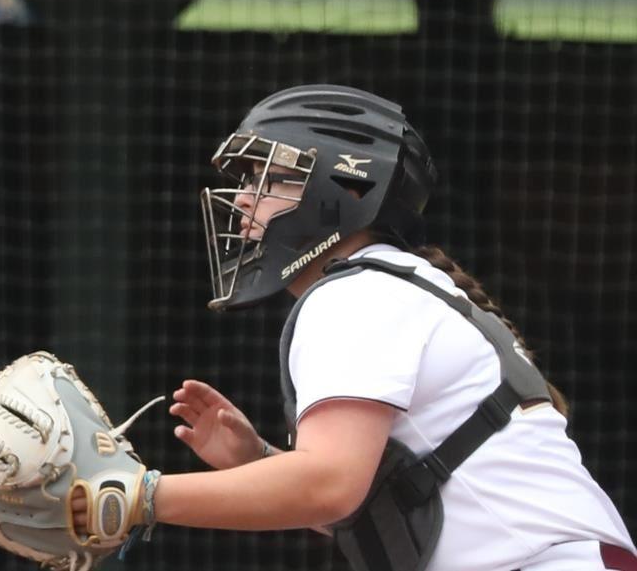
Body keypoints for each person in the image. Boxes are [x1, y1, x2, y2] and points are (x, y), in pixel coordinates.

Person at [69, 84, 635, 570]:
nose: (243, 202)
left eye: (269, 180)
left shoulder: (354, 295)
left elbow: (329, 487)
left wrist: (139, 496)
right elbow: (375, 502)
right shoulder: (388, 284)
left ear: (339, 187)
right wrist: (261, 463)